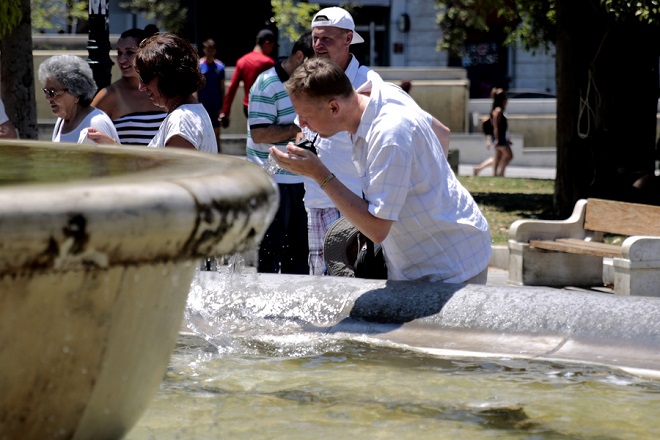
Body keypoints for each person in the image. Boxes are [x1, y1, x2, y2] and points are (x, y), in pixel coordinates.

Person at [270, 58, 491, 284]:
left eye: (305, 117)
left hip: (450, 268)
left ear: (334, 107)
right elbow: (441, 133)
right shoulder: (379, 91)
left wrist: (319, 174)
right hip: (429, 258)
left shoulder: (389, 137)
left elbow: (377, 229)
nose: (301, 124)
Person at [301, 6, 451, 275]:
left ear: (348, 39)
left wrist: (421, 192)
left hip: (354, 205)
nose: (318, 45)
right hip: (317, 199)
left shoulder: (368, 83)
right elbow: (303, 130)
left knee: (353, 285)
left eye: (327, 39)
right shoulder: (311, 79)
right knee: (320, 286)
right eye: (315, 38)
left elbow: (439, 133)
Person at [247, 31, 315, 274]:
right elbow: (260, 134)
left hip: (303, 179)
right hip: (274, 180)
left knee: (299, 256)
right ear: (299, 57)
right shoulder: (267, 84)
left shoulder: (308, 84)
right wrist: (302, 125)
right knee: (270, 252)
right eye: (313, 63)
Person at [86, 33, 217, 154]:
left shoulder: (182, 120)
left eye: (145, 78)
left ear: (167, 76)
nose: (141, 87)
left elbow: (167, 176)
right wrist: (114, 146)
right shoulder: (189, 112)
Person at [91, 26, 166, 146]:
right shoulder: (109, 95)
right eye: (119, 53)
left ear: (147, 53)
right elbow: (86, 133)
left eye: (129, 53)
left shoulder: (167, 89)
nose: (121, 59)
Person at [38, 54, 119, 144]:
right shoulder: (61, 121)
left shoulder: (95, 123)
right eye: (46, 91)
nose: (47, 98)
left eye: (53, 92)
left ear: (76, 94)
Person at [218, 29, 276, 128]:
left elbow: (232, 88)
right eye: (272, 46)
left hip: (248, 107)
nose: (272, 50)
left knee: (252, 133)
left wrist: (225, 112)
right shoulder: (269, 63)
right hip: (265, 106)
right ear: (267, 43)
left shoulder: (242, 61)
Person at [197, 38, 226, 151]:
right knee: (202, 132)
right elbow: (196, 87)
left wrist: (222, 107)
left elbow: (222, 88)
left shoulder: (220, 67)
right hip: (202, 104)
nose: (209, 52)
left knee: (216, 133)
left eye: (211, 49)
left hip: (215, 105)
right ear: (204, 50)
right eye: (207, 49)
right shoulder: (199, 66)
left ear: (215, 51)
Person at [491, 87, 513, 176]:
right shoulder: (498, 111)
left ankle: (496, 174)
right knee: (509, 156)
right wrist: (496, 139)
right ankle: (501, 173)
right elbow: (495, 126)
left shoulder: (500, 110)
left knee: (499, 156)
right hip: (500, 138)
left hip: (501, 137)